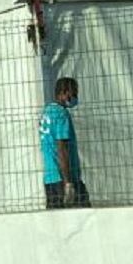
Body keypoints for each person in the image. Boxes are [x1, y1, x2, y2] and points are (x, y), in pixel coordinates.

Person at [39, 76, 89, 209]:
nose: (75, 97)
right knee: (85, 216)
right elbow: (62, 148)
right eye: (74, 93)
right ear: (64, 92)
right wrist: (68, 182)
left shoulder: (47, 112)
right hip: (64, 176)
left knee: (56, 222)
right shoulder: (61, 114)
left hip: (50, 177)